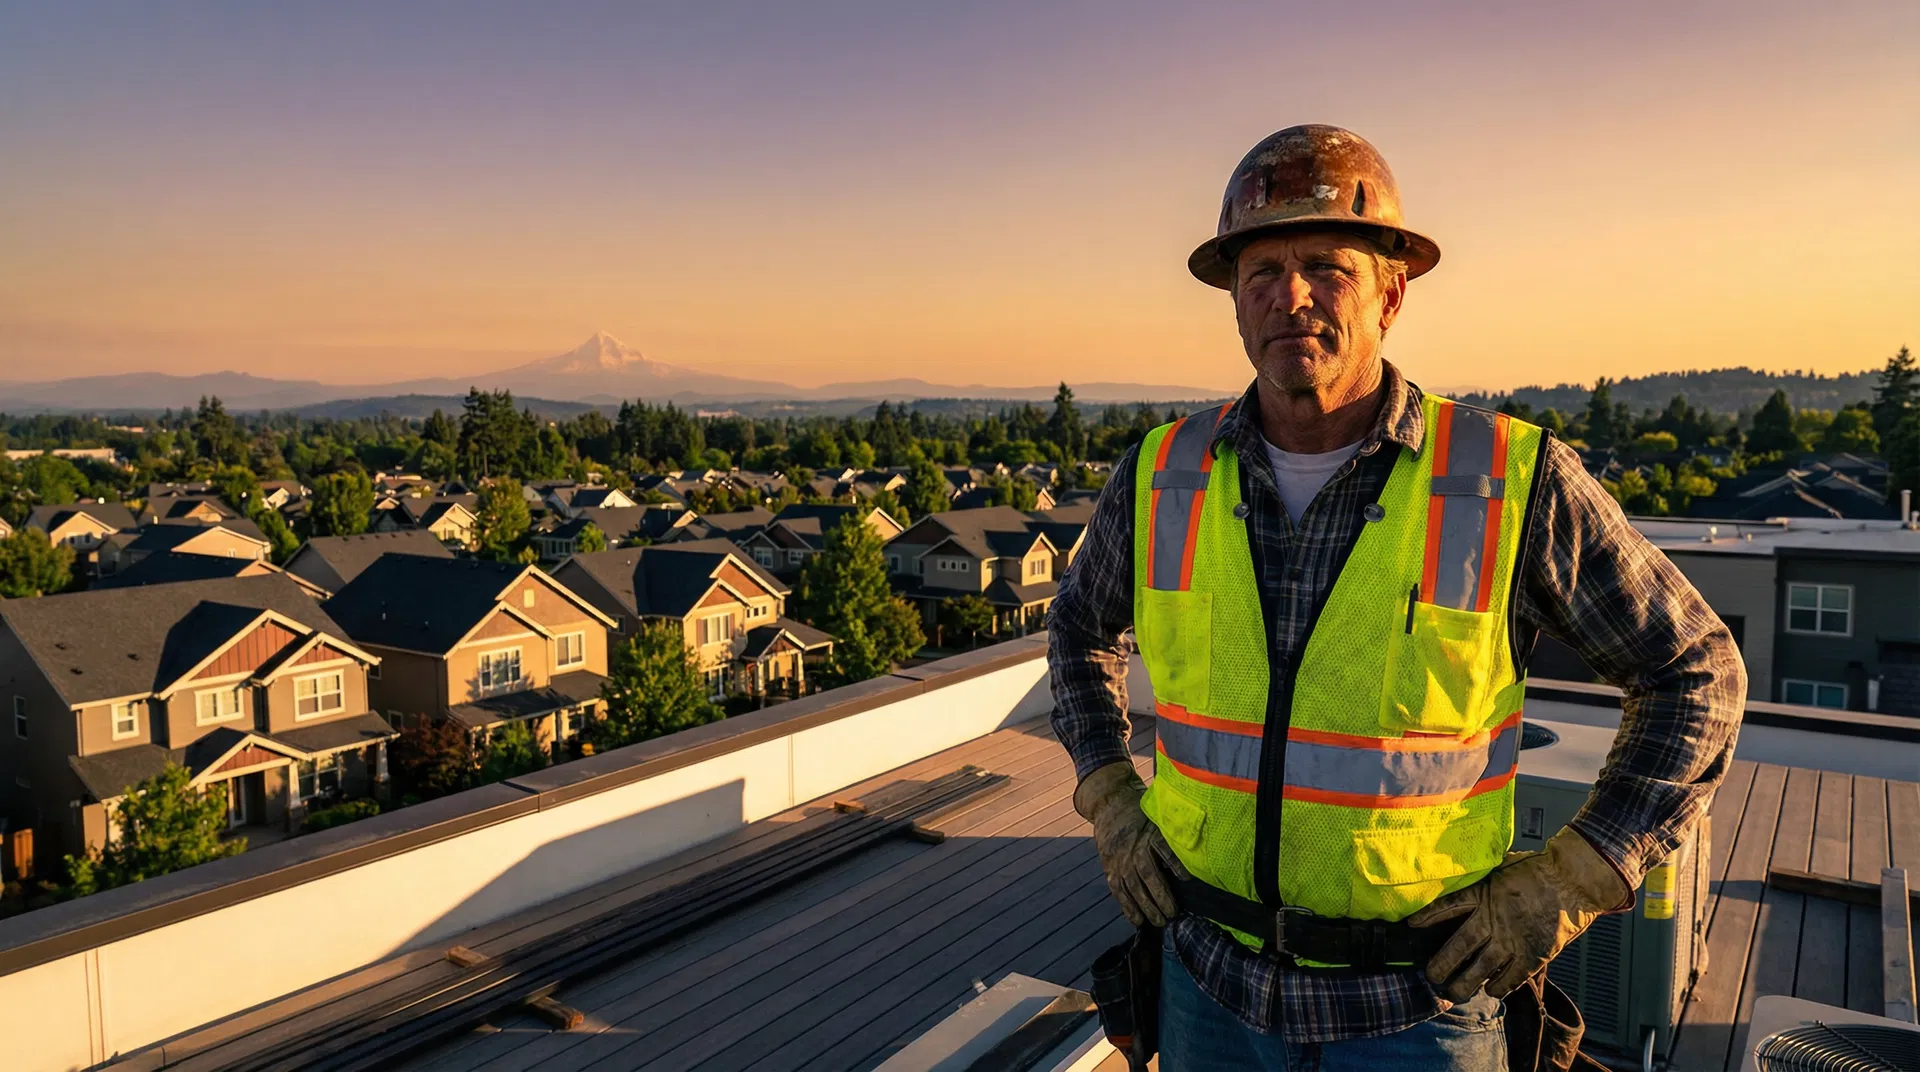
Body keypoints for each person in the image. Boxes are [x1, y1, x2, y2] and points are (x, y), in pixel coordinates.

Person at [1049, 125, 1745, 1070]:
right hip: (1208, 984)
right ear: (1234, 302)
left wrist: (1572, 880)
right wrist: (1110, 799)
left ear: (1393, 292)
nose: (1289, 296)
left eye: (1327, 267)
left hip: (1416, 1011)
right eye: (1262, 271)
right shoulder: (1164, 472)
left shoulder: (1507, 479)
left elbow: (1694, 672)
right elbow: (1080, 629)